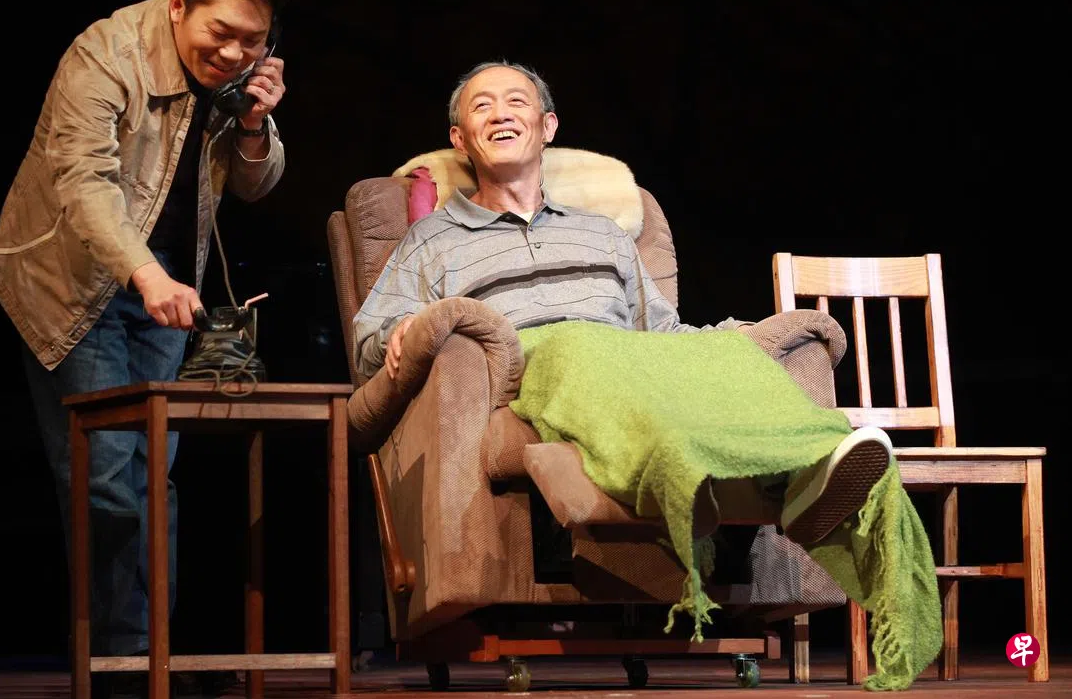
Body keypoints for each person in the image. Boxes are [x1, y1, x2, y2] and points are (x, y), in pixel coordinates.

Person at [352, 60, 894, 546]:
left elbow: (660, 334)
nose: (500, 114)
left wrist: (739, 340)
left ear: (547, 127)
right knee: (576, 344)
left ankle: (807, 469)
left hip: (624, 363)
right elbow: (368, 344)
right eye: (481, 106)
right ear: (460, 139)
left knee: (733, 351)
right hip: (530, 376)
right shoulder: (433, 239)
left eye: (516, 102)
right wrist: (406, 328)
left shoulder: (603, 234)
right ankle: (678, 482)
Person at [0, 0, 287, 698]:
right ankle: (119, 670)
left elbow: (256, 185)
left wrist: (254, 123)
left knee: (152, 481)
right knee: (108, 479)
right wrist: (145, 275)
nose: (234, 54)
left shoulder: (237, 78)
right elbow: (83, 185)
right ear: (180, 6)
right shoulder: (105, 54)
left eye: (253, 41)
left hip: (164, 290)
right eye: (222, 34)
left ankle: (146, 663)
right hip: (74, 283)